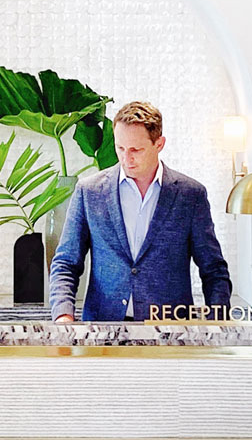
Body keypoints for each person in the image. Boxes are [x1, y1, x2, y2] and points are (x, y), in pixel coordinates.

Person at [49, 100, 234, 323]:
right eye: (120, 148)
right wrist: (63, 316)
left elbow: (213, 269)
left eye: (136, 149)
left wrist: (218, 324)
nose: (127, 158)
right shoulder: (89, 192)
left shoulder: (190, 195)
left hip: (170, 332)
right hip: (102, 330)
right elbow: (66, 263)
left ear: (159, 144)